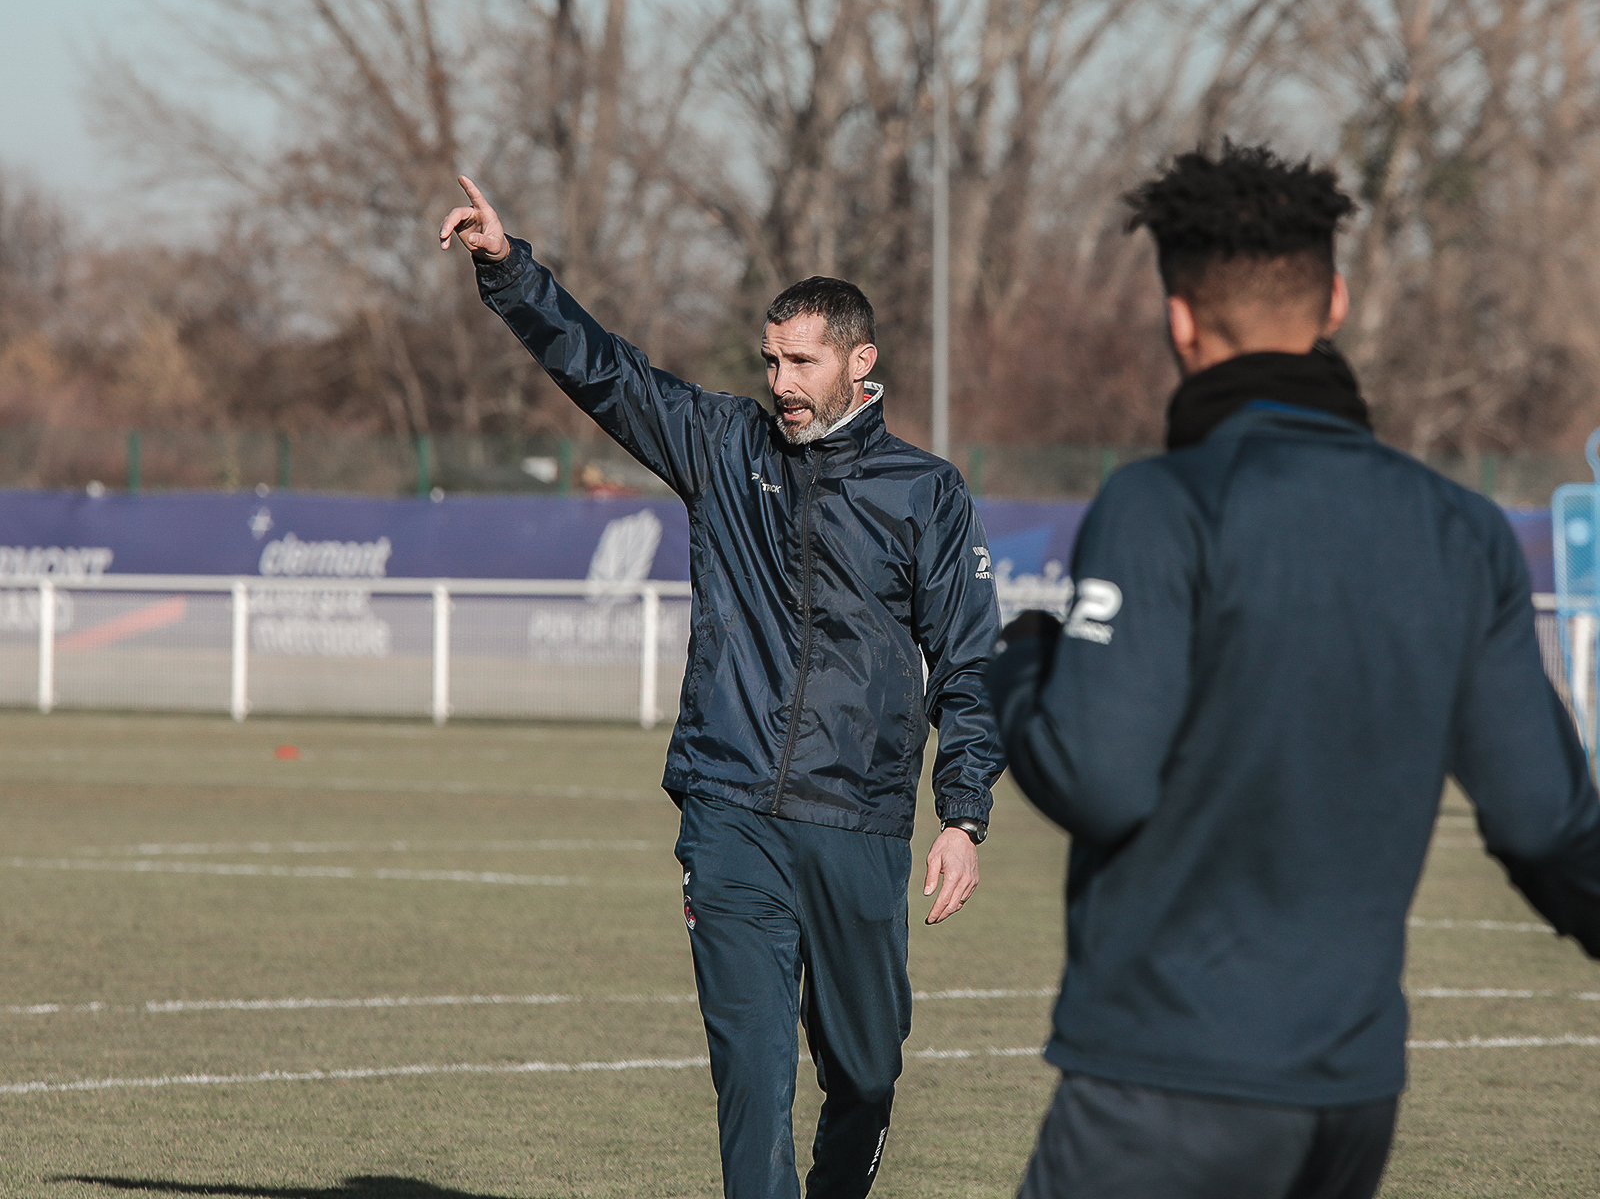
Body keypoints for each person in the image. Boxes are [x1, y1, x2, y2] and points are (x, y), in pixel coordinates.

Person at [986, 141, 1600, 1199]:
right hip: (1353, 1100)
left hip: (1166, 1084)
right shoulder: (1459, 529)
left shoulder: (1161, 506)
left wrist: (1017, 673)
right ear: (1337, 302)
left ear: (1179, 318)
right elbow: (1546, 820)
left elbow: (1097, 777)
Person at [440, 176, 1005, 1199]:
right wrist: (508, 268)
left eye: (802, 361)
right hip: (729, 810)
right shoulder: (721, 444)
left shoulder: (924, 492)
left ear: (859, 363)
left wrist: (960, 813)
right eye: (770, 362)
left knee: (867, 1072)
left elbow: (969, 661)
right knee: (751, 1070)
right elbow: (604, 373)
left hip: (859, 821)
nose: (781, 381)